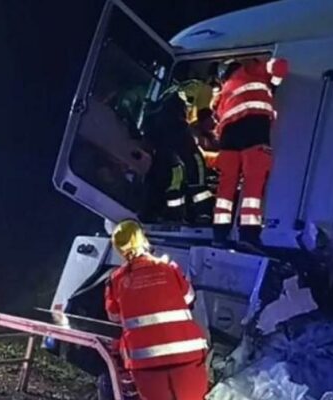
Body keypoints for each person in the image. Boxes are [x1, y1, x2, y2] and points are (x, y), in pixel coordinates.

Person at [106, 220, 209, 399]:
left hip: (146, 364)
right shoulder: (167, 267)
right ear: (143, 239)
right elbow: (189, 298)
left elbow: (114, 316)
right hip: (186, 356)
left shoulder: (115, 280)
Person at [211, 57, 289, 245]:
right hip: (253, 129)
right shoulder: (252, 69)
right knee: (253, 183)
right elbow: (280, 65)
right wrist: (274, 86)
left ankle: (220, 234)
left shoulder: (222, 94)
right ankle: (248, 234)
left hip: (228, 137)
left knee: (226, 187)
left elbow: (216, 117)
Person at [143, 92, 214, 225]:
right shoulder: (180, 128)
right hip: (185, 166)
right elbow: (192, 157)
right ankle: (200, 215)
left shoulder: (156, 125)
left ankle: (169, 216)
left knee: (174, 192)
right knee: (195, 190)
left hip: (170, 169)